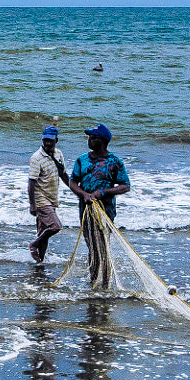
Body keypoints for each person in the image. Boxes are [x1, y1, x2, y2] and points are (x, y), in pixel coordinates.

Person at [71, 123, 131, 290]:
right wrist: (84, 194)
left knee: (102, 247)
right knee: (92, 246)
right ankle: (93, 281)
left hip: (106, 211)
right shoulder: (82, 160)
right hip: (86, 210)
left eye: (94, 137)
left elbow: (125, 186)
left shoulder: (114, 161)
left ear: (103, 141)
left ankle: (104, 284)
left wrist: (102, 193)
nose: (90, 139)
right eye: (89, 136)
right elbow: (73, 181)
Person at [27, 124, 66, 265]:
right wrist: (32, 204)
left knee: (44, 233)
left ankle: (39, 263)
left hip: (51, 198)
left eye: (50, 140)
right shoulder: (36, 158)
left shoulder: (58, 154)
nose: (47, 143)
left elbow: (63, 174)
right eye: (45, 140)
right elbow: (31, 182)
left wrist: (77, 190)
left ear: (56, 140)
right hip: (40, 199)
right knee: (56, 226)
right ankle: (33, 245)